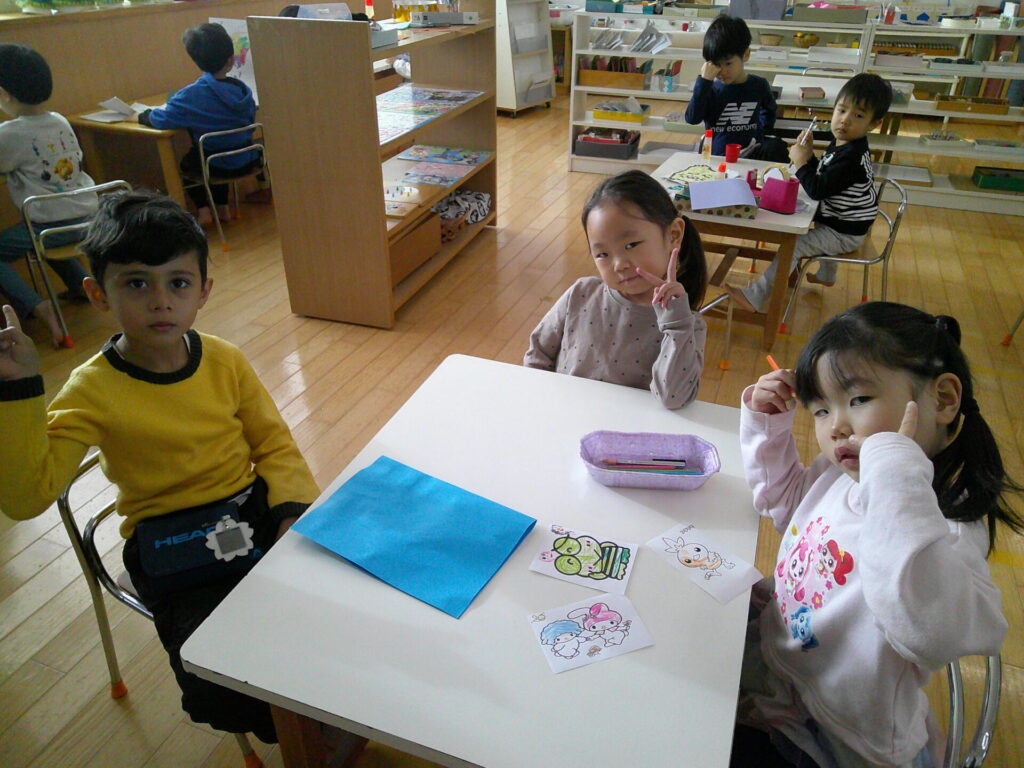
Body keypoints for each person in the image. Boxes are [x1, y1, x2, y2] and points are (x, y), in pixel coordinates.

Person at [0, 191, 320, 743]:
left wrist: (290, 508)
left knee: (325, 617)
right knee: (224, 669)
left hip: (250, 511)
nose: (160, 302)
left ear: (203, 291)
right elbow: (28, 497)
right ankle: (289, 733)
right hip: (168, 541)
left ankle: (315, 714)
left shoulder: (224, 359)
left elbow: (274, 443)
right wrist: (20, 390)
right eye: (136, 283)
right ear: (97, 294)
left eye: (178, 283)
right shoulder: (90, 390)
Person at [733, 302, 1022, 768]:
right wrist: (767, 424)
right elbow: (784, 504)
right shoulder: (839, 473)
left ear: (943, 400)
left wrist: (893, 471)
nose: (836, 427)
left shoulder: (946, 526)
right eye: (821, 409)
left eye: (858, 400)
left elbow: (928, 633)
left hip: (838, 731)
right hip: (782, 663)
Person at [523, 170, 708, 409]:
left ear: (674, 235)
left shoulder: (687, 325)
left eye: (631, 245)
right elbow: (538, 354)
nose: (619, 265)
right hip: (564, 416)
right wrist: (540, 403)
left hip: (627, 430)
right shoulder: (581, 293)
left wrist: (676, 325)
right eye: (602, 254)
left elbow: (674, 399)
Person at [729, 74, 893, 313]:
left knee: (793, 245)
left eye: (858, 116)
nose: (845, 120)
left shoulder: (851, 157)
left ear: (874, 124)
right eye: (841, 110)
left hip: (844, 231)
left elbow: (817, 190)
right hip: (842, 221)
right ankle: (826, 275)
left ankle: (756, 296)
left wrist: (800, 163)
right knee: (808, 224)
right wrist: (808, 155)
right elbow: (825, 176)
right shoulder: (845, 143)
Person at [0, 43, 97, 347]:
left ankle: (40, 307)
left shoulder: (9, 133)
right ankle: (81, 285)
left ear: (5, 94)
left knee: (35, 235)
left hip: (51, 226)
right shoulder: (59, 119)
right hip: (88, 217)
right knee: (43, 235)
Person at [136, 23, 261, 226]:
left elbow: (162, 119)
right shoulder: (242, 90)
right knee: (216, 152)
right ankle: (223, 209)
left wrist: (143, 116)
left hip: (215, 165)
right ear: (230, 60)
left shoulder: (191, 95)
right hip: (247, 159)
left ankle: (203, 212)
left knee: (192, 163)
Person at [684, 15, 777, 159]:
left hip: (752, 154)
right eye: (717, 64)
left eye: (728, 63)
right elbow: (692, 118)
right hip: (718, 158)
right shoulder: (710, 89)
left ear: (746, 55)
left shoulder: (759, 85)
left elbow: (769, 111)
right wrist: (704, 81)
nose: (722, 71)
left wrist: (761, 133)